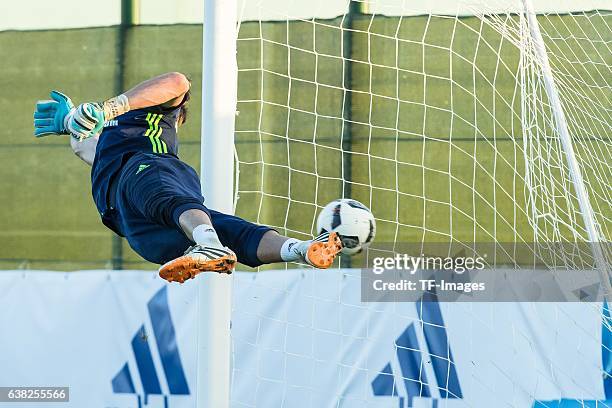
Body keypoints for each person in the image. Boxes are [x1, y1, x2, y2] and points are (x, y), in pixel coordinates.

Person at [33, 72, 342, 283]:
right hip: (130, 220)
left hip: (147, 169)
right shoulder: (110, 143)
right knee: (231, 232)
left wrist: (110, 107)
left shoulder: (146, 118)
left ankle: (208, 245)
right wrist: (71, 120)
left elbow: (178, 81)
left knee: (169, 202)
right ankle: (298, 249)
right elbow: (85, 147)